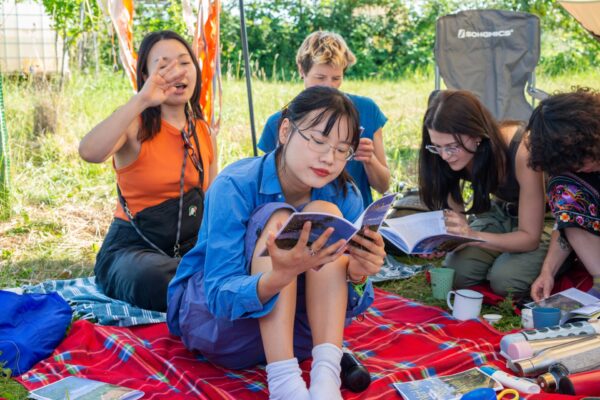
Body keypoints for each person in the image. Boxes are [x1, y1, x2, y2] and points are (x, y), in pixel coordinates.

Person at [167, 86, 385, 400]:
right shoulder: (234, 186)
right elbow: (218, 297)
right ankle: (285, 385)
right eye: (318, 141)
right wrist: (277, 277)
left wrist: (359, 274)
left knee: (325, 214)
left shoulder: (343, 195)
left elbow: (353, 302)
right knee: (278, 217)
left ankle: (326, 378)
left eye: (342, 150)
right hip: (227, 329)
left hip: (304, 333)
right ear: (285, 131)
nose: (329, 158)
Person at [79, 30, 218, 312]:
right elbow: (89, 152)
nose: (177, 71)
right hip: (132, 250)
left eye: (184, 62)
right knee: (157, 277)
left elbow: (212, 201)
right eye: (164, 65)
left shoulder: (203, 131)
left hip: (188, 246)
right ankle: (202, 290)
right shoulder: (135, 125)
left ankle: (202, 287)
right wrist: (141, 100)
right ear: (145, 76)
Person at [418, 90, 550, 297]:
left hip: (544, 219)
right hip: (499, 213)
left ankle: (552, 262)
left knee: (505, 281)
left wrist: (473, 236)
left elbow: (530, 237)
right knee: (457, 274)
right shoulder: (448, 156)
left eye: (452, 147)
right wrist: (446, 240)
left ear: (477, 134)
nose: (444, 155)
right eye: (437, 147)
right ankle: (500, 257)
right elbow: (457, 221)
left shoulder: (522, 150)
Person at [258, 31, 390, 206]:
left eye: (336, 78)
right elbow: (266, 186)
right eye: (320, 78)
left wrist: (369, 159)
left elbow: (383, 186)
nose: (329, 86)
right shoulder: (279, 122)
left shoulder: (366, 109)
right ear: (301, 70)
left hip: (356, 216)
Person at [526, 88, 600, 301]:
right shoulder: (571, 172)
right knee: (564, 188)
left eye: (582, 156)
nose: (578, 166)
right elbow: (566, 220)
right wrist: (548, 271)